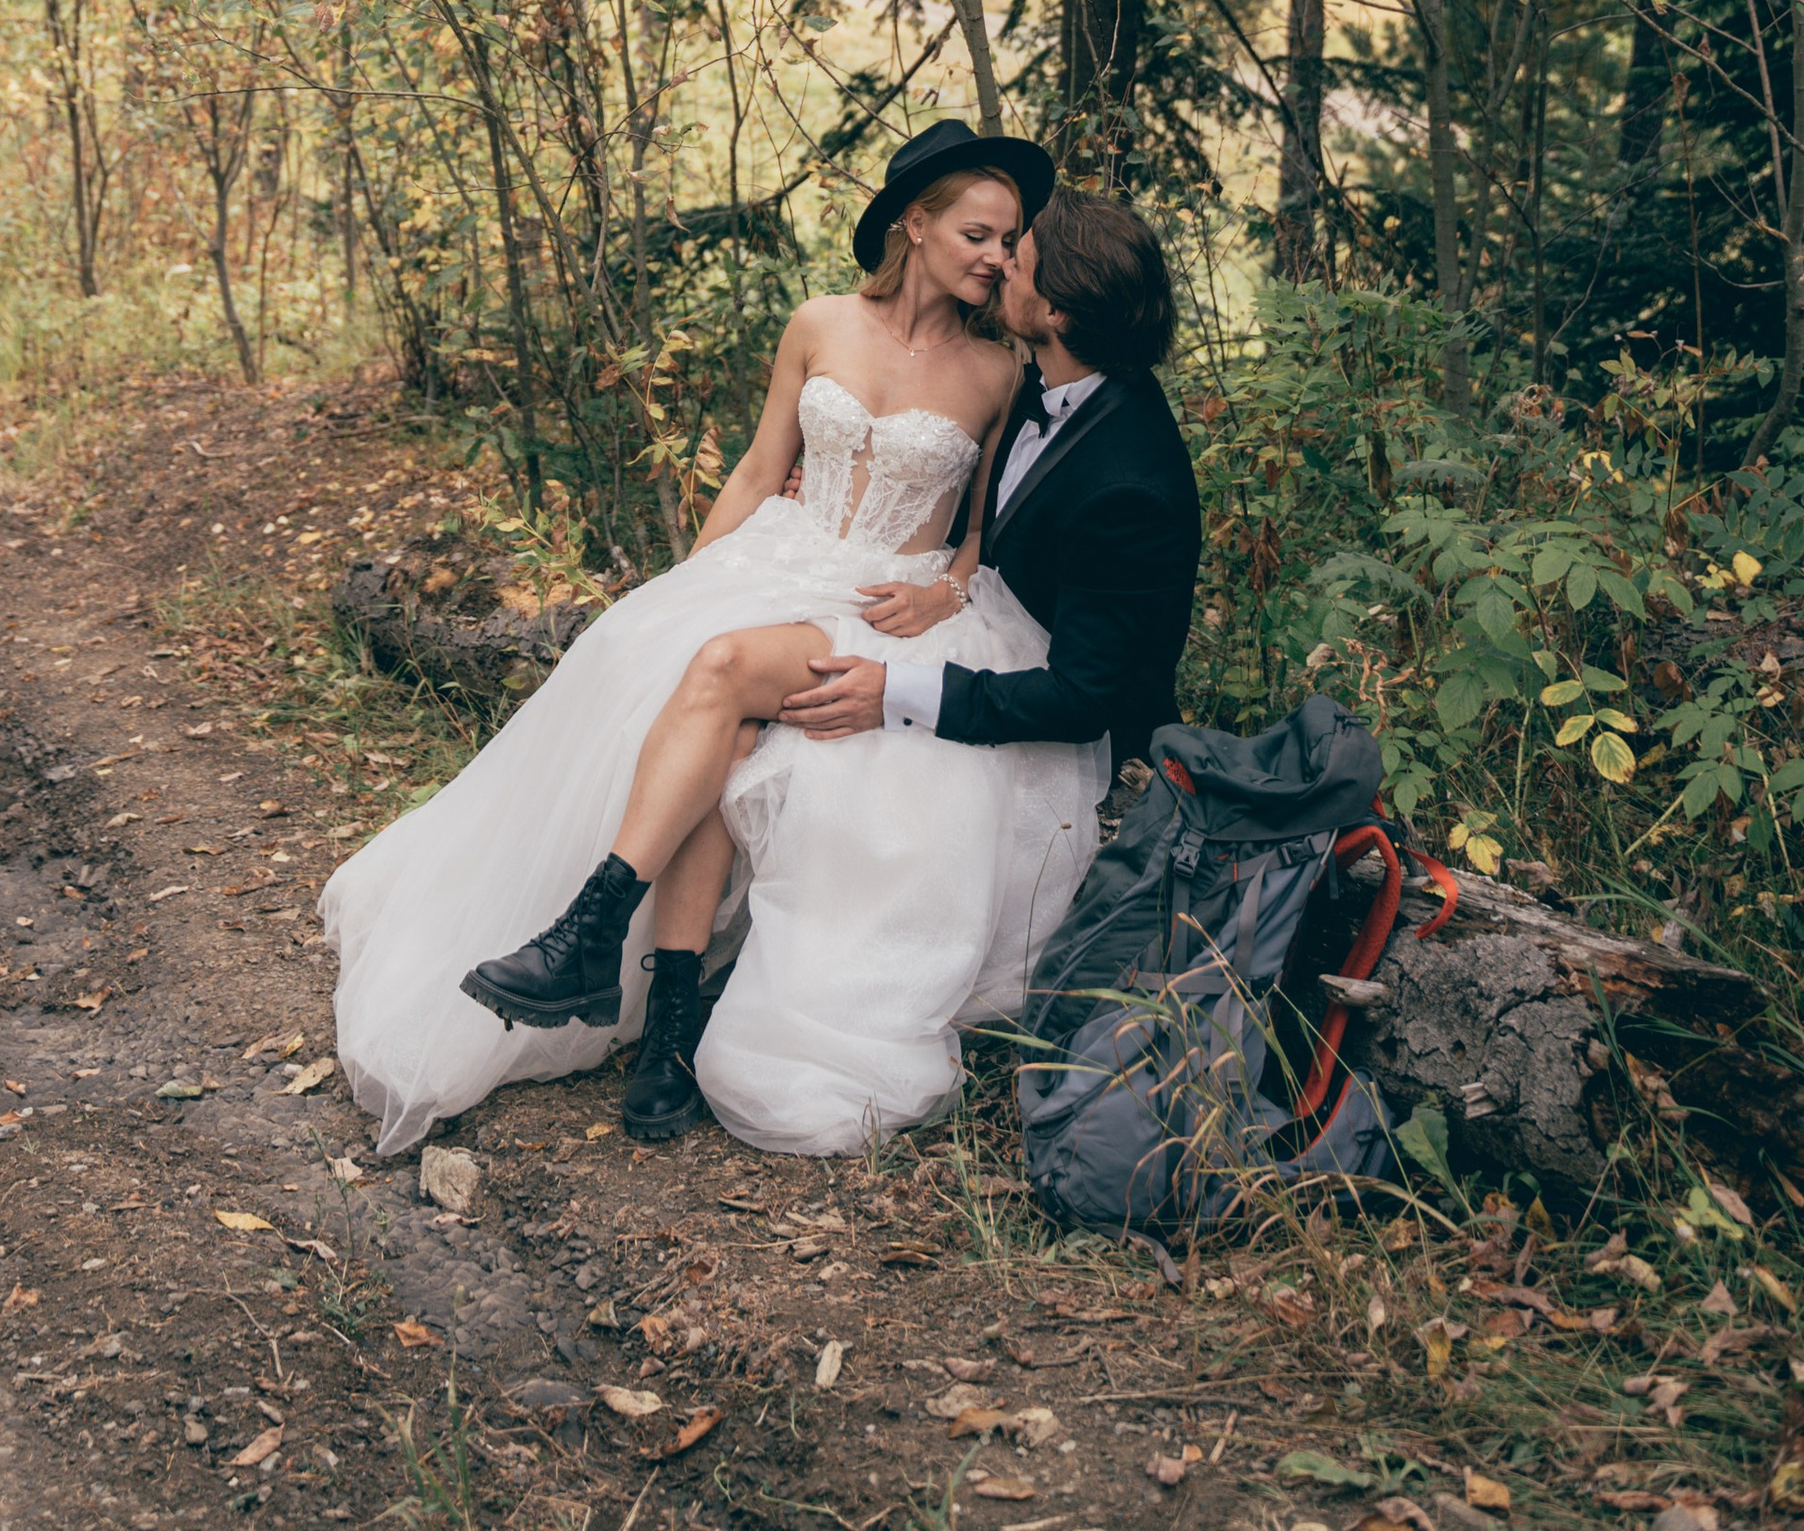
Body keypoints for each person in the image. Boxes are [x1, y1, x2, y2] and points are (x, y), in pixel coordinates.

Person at [323, 125, 1193, 1157]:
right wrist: (690, 581)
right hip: (778, 558)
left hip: (882, 598)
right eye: (979, 232)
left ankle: (593, 936)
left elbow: (980, 534)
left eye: (1012, 245)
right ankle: (664, 1017)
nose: (998, 258)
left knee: (726, 678)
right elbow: (752, 470)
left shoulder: (1008, 376)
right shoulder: (818, 323)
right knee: (708, 711)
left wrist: (947, 590)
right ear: (912, 225)